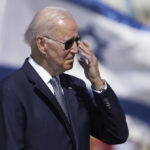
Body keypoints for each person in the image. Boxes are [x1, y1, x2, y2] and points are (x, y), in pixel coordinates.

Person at [0, 6, 128, 150]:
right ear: (42, 44)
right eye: (68, 43)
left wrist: (97, 82)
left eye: (77, 41)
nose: (75, 50)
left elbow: (117, 134)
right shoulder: (12, 89)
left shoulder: (76, 87)